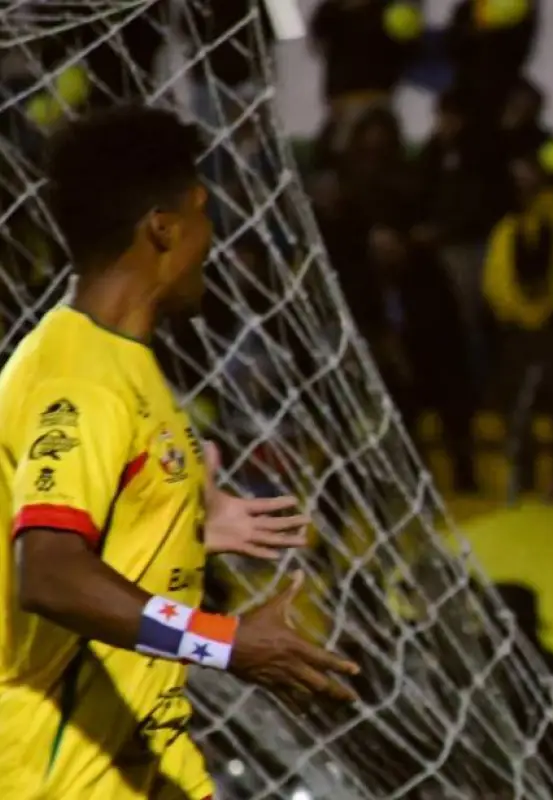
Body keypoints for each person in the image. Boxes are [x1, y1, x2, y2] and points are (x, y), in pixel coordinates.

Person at [0, 107, 360, 800]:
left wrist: (181, 528)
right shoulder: (81, 379)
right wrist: (227, 642)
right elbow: (47, 573)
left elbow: (84, 533)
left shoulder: (124, 365)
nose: (213, 237)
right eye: (202, 212)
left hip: (144, 763)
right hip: (61, 779)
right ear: (162, 227)